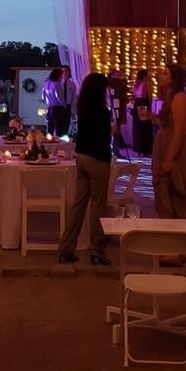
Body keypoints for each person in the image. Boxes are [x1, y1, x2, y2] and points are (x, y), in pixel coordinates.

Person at [58, 72, 114, 266]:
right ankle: (97, 249)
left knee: (78, 205)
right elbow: (104, 138)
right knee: (97, 206)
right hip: (98, 159)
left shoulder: (83, 108)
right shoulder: (103, 111)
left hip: (81, 156)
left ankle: (66, 248)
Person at [149, 64, 186, 231]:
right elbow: (166, 124)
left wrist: (169, 159)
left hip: (176, 151)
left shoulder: (180, 98)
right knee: (164, 198)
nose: (160, 76)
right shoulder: (169, 97)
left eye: (165, 73)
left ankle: (178, 240)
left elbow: (179, 130)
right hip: (164, 147)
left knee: (175, 198)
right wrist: (151, 117)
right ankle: (169, 238)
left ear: (174, 78)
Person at [131, 68, 153, 156]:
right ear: (144, 76)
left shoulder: (135, 84)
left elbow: (134, 95)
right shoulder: (146, 84)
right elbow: (146, 97)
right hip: (143, 104)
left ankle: (138, 148)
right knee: (144, 126)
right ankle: (145, 149)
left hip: (137, 104)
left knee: (138, 127)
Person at [40, 68, 65, 136]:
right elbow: (58, 96)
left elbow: (43, 96)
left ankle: (49, 141)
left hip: (49, 108)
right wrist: (64, 104)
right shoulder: (57, 84)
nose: (62, 77)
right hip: (58, 109)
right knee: (59, 129)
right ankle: (59, 142)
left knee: (50, 129)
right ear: (58, 75)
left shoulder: (46, 84)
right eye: (61, 76)